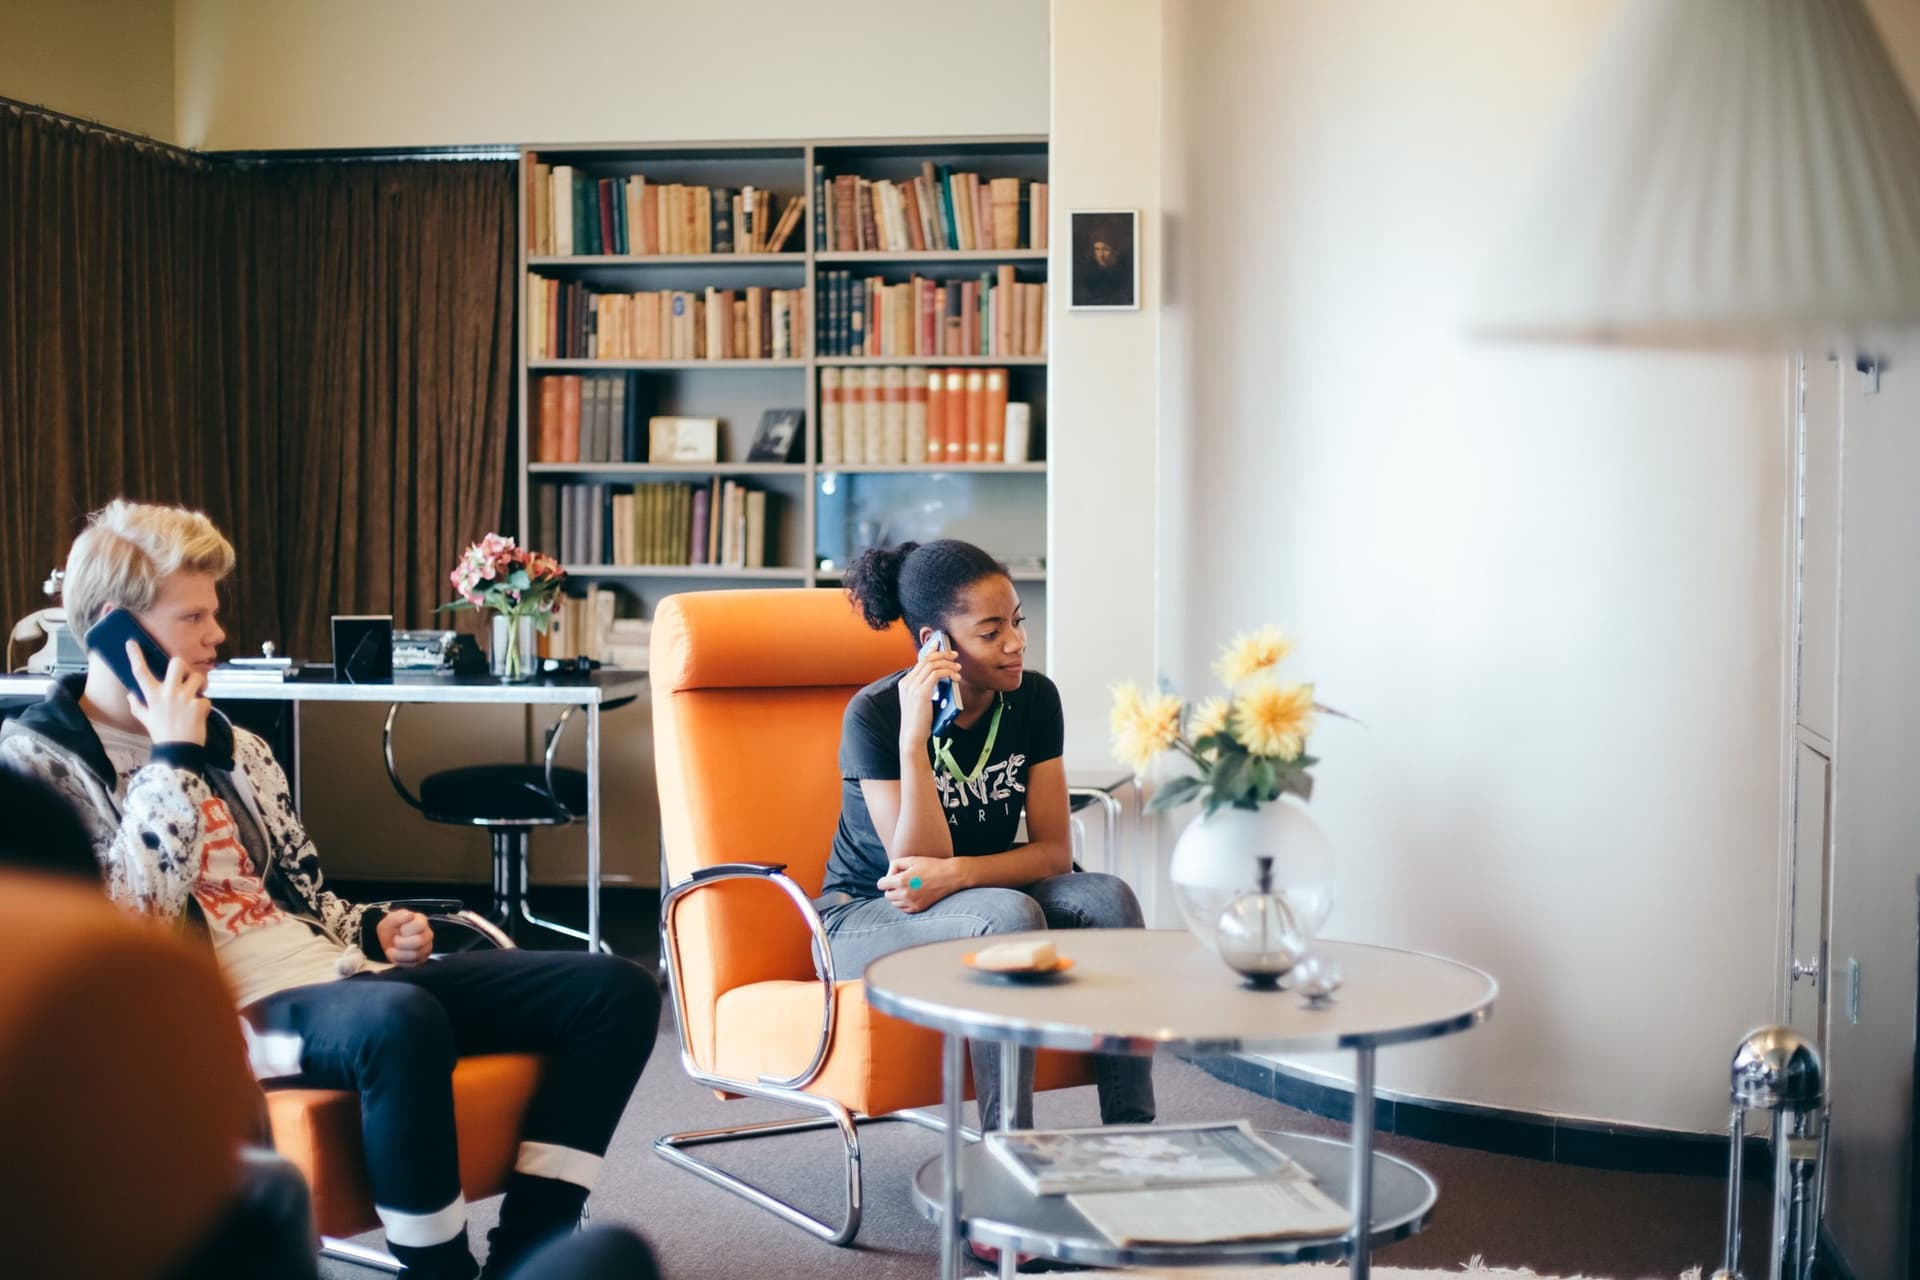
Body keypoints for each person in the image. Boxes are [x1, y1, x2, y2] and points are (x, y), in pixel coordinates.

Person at [0, 500, 660, 1280]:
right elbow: (121, 929)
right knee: (398, 1018)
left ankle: (529, 1249)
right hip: (220, 1013)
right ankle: (437, 1270)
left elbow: (309, 898)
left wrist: (376, 926)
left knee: (616, 988)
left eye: (216, 613)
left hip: (336, 983)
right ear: (117, 629)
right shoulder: (35, 761)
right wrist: (170, 759)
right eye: (194, 617)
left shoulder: (237, 746)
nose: (218, 636)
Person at [818, 538, 1156, 1135]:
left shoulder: (1033, 699)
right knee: (1008, 917)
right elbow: (916, 868)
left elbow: (1054, 853)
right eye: (991, 631)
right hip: (862, 918)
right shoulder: (874, 714)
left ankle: (1132, 1136)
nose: (1017, 643)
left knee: (1108, 897)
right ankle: (1007, 1154)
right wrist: (914, 739)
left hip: (971, 896)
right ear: (936, 645)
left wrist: (963, 874)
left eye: (1017, 623)